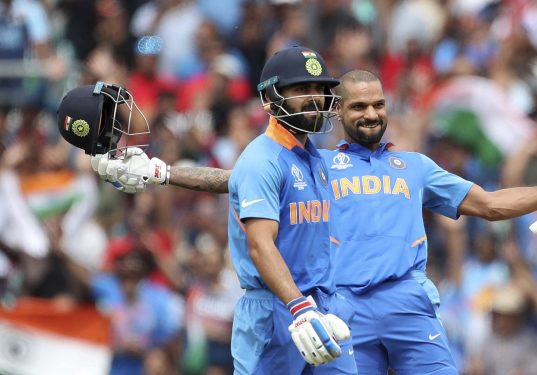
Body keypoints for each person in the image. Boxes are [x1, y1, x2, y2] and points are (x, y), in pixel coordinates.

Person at [83, 69, 537, 374]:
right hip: (342, 309)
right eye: (359, 106)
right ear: (338, 112)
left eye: (379, 104)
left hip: (410, 304)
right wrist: (160, 172)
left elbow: (489, 203)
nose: (371, 114)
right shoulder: (315, 164)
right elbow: (234, 179)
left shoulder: (415, 167)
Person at [56, 47, 356, 375]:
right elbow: (260, 244)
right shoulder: (262, 159)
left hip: (320, 305)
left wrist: (162, 172)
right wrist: (300, 308)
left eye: (319, 89)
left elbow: (231, 180)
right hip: (279, 310)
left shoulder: (314, 159)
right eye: (301, 90)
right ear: (271, 99)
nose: (314, 98)